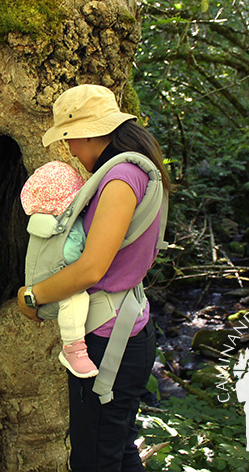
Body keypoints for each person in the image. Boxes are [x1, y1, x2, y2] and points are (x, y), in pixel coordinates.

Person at [17, 84, 172, 471]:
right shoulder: (138, 171)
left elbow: (92, 268)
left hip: (109, 342)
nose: (69, 150)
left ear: (87, 132)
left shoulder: (120, 179)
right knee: (117, 452)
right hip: (128, 329)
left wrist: (33, 296)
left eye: (69, 139)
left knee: (93, 462)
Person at [20, 160, 99, 378]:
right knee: (76, 299)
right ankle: (73, 349)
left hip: (38, 284)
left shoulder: (41, 222)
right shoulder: (66, 229)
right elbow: (74, 258)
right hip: (52, 293)